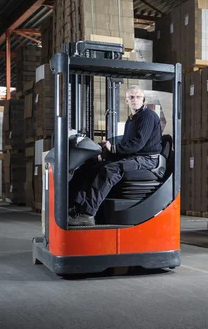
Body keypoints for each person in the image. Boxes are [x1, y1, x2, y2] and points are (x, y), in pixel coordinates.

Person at [68, 85, 162, 226]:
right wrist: (105, 155)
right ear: (126, 101)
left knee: (110, 170)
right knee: (92, 165)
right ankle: (76, 206)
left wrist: (113, 149)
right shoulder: (132, 119)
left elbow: (137, 144)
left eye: (138, 97)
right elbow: (127, 143)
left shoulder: (147, 116)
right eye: (131, 97)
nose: (135, 100)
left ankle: (87, 215)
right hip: (135, 157)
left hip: (147, 160)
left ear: (143, 99)